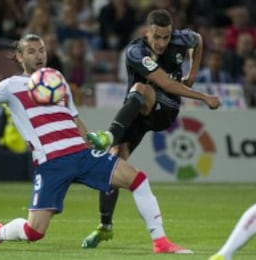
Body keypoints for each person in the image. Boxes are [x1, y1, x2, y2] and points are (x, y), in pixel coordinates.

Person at [0, 33, 192, 254]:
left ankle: (161, 242)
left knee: (138, 179)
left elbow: (75, 119)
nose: (38, 55)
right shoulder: (10, 86)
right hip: (51, 163)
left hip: (82, 153)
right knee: (35, 232)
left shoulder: (57, 80)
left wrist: (91, 139)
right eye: (31, 51)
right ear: (19, 56)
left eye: (42, 50)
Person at [83, 9, 221, 248]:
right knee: (114, 163)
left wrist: (193, 73)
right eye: (156, 36)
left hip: (165, 108)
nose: (161, 43)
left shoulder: (181, 39)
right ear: (147, 32)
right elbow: (166, 81)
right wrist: (204, 96)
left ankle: (108, 135)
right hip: (137, 111)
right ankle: (105, 226)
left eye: (166, 37)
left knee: (141, 88)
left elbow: (197, 40)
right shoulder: (136, 51)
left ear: (171, 33)